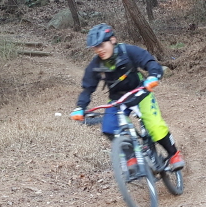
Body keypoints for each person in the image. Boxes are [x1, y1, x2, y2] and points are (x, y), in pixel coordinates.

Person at [70, 23, 185, 171]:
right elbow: (87, 89)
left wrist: (153, 76)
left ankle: (174, 154)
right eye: (95, 47)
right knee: (109, 128)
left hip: (140, 93)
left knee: (154, 125)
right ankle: (131, 156)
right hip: (118, 100)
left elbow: (149, 62)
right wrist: (80, 107)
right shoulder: (96, 64)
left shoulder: (128, 51)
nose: (99, 50)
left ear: (112, 40)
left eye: (101, 45)